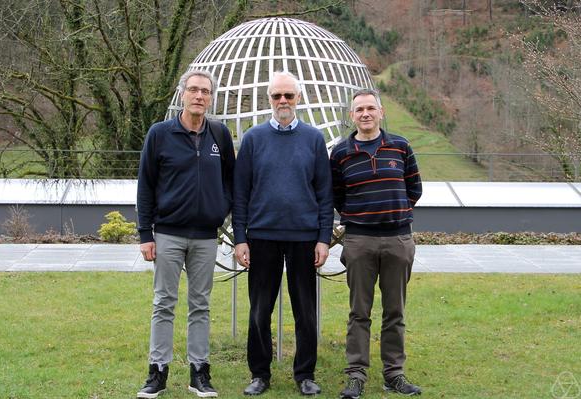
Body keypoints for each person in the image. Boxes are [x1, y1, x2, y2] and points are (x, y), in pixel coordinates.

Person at [232, 71, 334, 396]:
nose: (283, 101)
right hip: (262, 236)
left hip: (304, 237)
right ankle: (259, 374)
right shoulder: (252, 139)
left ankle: (305, 374)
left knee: (305, 311)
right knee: (260, 310)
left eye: (288, 95)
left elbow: (325, 192)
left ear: (298, 98)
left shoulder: (314, 139)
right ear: (269, 99)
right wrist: (240, 237)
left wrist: (323, 237)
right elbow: (240, 193)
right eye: (277, 96)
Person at [136, 70, 235, 399]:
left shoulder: (220, 135)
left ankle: (199, 373)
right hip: (167, 234)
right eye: (193, 90)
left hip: (206, 236)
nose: (199, 96)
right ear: (182, 94)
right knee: (163, 303)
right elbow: (146, 187)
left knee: (200, 305)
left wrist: (219, 210)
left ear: (211, 97)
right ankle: (158, 372)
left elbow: (230, 183)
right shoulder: (159, 134)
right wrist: (144, 234)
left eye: (205, 91)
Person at [330, 89, 423, 398]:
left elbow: (414, 188)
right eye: (359, 109)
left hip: (398, 238)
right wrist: (360, 217)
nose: (365, 114)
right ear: (351, 115)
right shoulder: (341, 153)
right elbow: (337, 196)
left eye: (371, 108)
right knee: (359, 312)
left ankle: (394, 373)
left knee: (395, 311)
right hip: (359, 241)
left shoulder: (400, 146)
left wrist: (395, 213)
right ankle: (356, 375)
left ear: (381, 112)